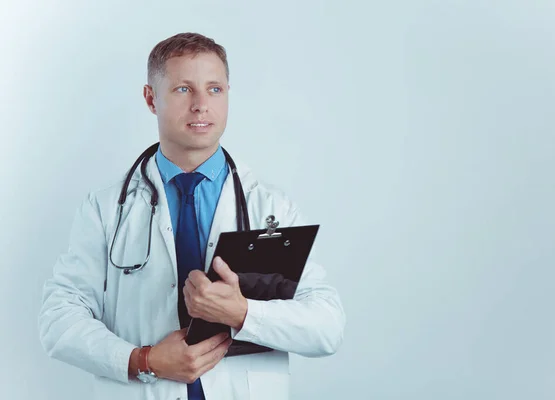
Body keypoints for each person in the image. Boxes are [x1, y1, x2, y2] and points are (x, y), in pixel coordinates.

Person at [38, 32, 345, 400]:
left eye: (214, 89)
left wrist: (244, 313)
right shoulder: (105, 208)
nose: (201, 105)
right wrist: (143, 360)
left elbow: (327, 327)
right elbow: (58, 319)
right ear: (151, 99)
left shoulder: (270, 209)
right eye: (184, 89)